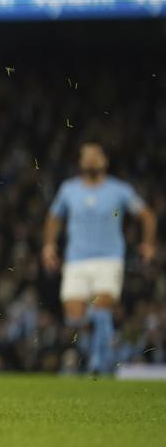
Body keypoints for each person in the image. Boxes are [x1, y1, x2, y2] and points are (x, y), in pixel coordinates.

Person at [42, 142, 157, 374]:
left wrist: (148, 244)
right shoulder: (68, 190)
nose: (91, 159)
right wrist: (49, 245)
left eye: (96, 155)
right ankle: (97, 354)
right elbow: (53, 218)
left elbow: (146, 215)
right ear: (80, 162)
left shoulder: (120, 190)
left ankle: (98, 363)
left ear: (105, 161)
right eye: (87, 156)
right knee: (75, 317)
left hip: (109, 259)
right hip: (76, 260)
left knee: (102, 306)